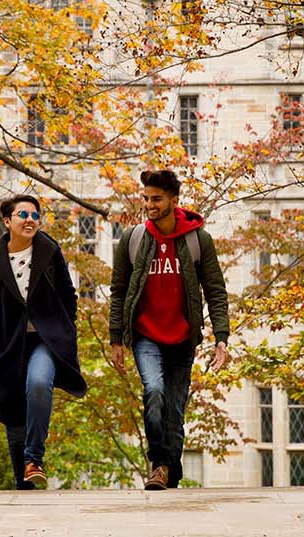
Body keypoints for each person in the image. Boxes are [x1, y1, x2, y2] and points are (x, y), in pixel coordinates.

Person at [108, 169, 229, 491]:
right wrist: (116, 338)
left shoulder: (197, 240)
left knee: (175, 410)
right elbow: (118, 290)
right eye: (146, 198)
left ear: (174, 201)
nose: (149, 204)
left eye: (156, 199)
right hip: (146, 335)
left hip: (182, 338)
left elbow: (215, 290)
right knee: (155, 391)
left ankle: (169, 475)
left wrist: (221, 339)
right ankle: (159, 464)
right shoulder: (132, 239)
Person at [0, 195, 87, 489]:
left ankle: (34, 458)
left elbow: (68, 295)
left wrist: (65, 331)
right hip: (8, 344)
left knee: (38, 384)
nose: (30, 220)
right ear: (7, 220)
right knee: (13, 412)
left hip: (45, 341)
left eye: (35, 215)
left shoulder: (49, 251)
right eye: (23, 214)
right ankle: (23, 483)